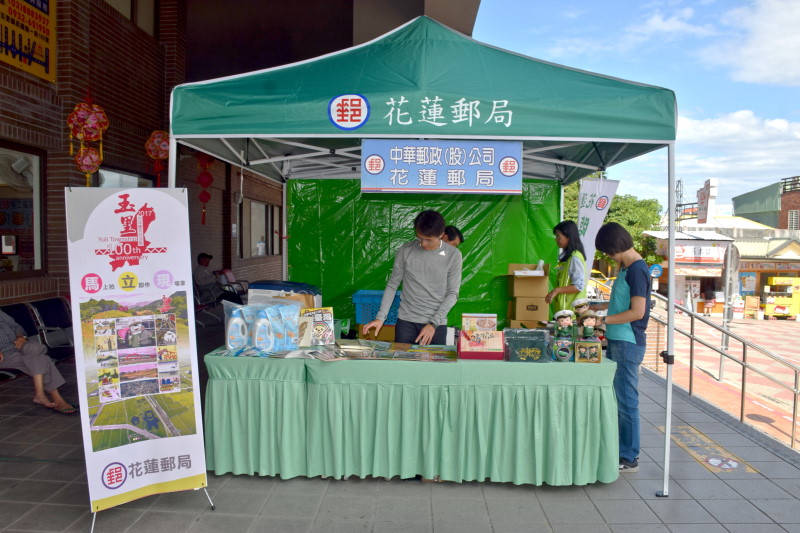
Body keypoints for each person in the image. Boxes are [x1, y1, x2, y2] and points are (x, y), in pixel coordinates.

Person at [594, 222, 651, 473]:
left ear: (614, 246)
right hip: (619, 339)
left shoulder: (637, 270)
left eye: (608, 252)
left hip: (628, 342)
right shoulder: (627, 268)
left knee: (627, 401)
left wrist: (603, 320)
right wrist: (597, 311)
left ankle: (629, 456)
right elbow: (620, 304)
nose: (608, 256)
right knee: (620, 398)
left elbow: (637, 312)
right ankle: (621, 450)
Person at [362, 210, 462, 345]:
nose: (423, 244)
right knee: (403, 364)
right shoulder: (405, 250)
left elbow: (452, 293)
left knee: (434, 365)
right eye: (419, 238)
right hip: (406, 322)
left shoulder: (453, 255)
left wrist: (433, 324)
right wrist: (380, 317)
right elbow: (392, 285)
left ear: (441, 235)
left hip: (436, 325)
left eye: (429, 240)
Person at [0, 309, 76, 415]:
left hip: (18, 345)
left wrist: (21, 336)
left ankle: (40, 395)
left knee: (36, 348)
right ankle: (56, 399)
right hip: (5, 356)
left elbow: (15, 326)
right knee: (42, 359)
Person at [545, 220, 587, 313]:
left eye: (558, 236)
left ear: (568, 236)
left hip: (572, 314)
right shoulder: (566, 258)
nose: (556, 239)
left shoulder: (575, 258)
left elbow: (578, 286)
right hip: (564, 312)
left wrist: (556, 290)